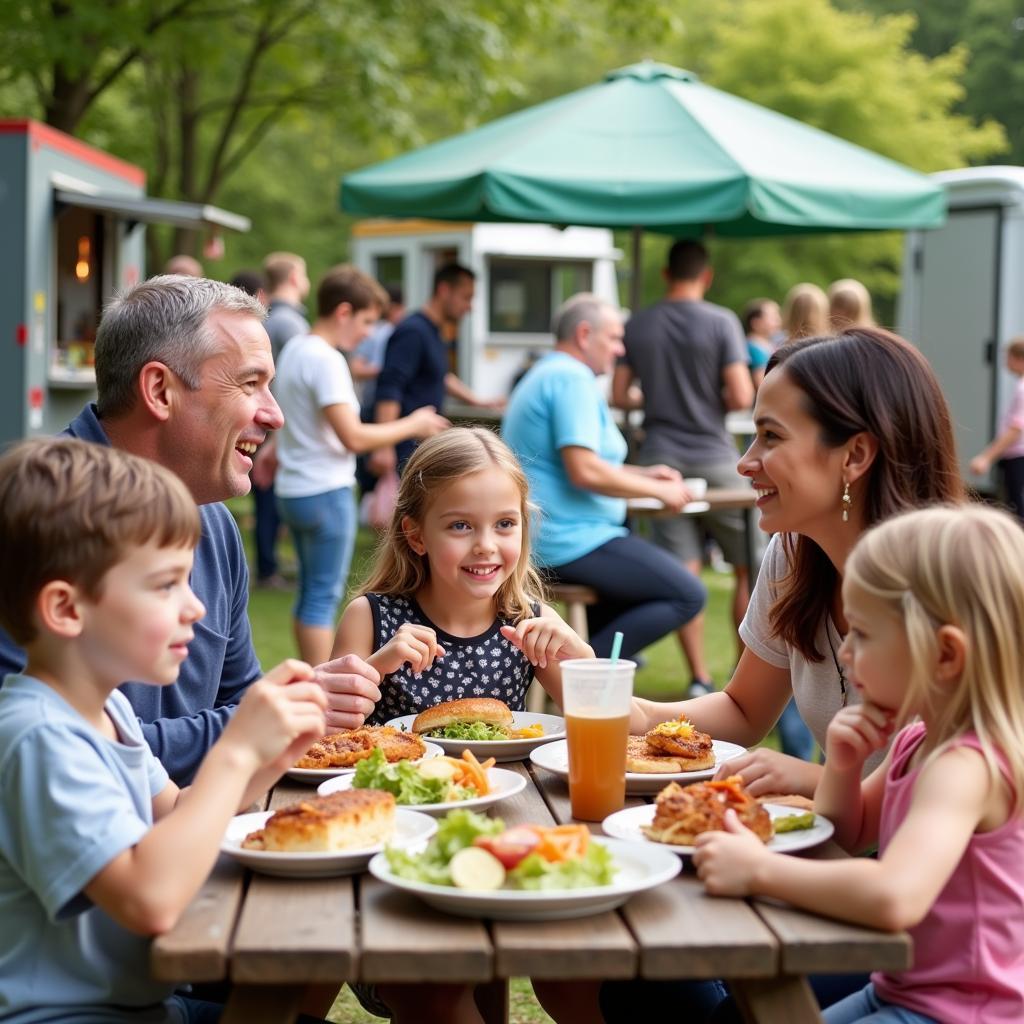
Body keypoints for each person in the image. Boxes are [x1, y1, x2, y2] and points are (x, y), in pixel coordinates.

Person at [594, 328, 964, 1024]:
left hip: (939, 918)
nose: (744, 462)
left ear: (855, 454)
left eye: (769, 437)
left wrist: (812, 777)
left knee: (707, 990)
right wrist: (629, 710)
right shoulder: (796, 554)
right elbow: (740, 708)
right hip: (835, 855)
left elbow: (911, 824)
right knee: (639, 975)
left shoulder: (956, 600)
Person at [0, 275, 383, 784]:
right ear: (160, 390)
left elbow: (234, 697)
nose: (275, 415)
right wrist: (264, 720)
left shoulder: (213, 519)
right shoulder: (33, 520)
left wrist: (295, 702)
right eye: (250, 384)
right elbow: (62, 747)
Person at [0, 437, 330, 1024]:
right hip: (69, 1017)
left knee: (289, 990)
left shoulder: (109, 713)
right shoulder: (37, 737)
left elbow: (177, 813)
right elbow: (148, 899)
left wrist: (272, 756)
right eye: (164, 585)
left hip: (148, 1005)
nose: (195, 608)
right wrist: (234, 752)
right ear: (67, 609)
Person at [694, 505, 1024, 1024]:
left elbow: (895, 897)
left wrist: (759, 870)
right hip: (903, 990)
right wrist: (843, 767)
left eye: (864, 635)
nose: (844, 653)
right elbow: (847, 833)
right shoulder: (918, 737)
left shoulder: (965, 766)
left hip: (964, 1010)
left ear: (945, 655)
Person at [334, 427, 593, 1023]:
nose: (486, 546)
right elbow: (328, 738)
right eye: (460, 526)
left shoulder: (527, 622)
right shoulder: (372, 618)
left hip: (507, 849)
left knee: (581, 979)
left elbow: (603, 722)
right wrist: (380, 663)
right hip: (395, 861)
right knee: (443, 999)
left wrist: (576, 650)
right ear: (414, 534)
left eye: (505, 524)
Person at [503, 293, 706, 667]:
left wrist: (643, 474)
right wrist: (660, 489)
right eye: (613, 338)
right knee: (688, 594)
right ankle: (579, 668)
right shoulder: (570, 379)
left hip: (559, 536)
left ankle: (578, 662)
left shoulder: (550, 372)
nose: (620, 349)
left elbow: (578, 462)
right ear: (584, 334)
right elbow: (584, 471)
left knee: (642, 590)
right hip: (568, 539)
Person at [275, 265, 449, 667]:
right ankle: (325, 698)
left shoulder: (296, 349)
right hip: (324, 490)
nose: (369, 332)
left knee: (309, 594)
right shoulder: (327, 359)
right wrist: (414, 423)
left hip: (294, 489)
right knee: (322, 597)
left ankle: (312, 682)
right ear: (343, 312)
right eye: (367, 321)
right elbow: (351, 436)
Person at [611, 241, 754, 691]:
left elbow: (619, 394)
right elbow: (741, 396)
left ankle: (699, 677)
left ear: (666, 274)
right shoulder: (721, 321)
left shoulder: (640, 323)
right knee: (749, 564)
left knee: (684, 569)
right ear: (706, 276)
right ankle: (745, 674)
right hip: (715, 457)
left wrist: (652, 395)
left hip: (660, 461)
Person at [372, 262, 501, 474]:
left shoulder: (433, 331)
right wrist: (383, 447)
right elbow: (390, 387)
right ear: (443, 290)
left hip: (422, 448)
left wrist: (477, 401)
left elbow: (441, 376)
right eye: (466, 297)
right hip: (403, 451)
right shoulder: (413, 331)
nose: (470, 306)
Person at [251, 251, 312, 589]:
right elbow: (295, 384)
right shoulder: (292, 324)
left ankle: (266, 564)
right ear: (291, 278)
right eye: (303, 275)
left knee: (264, 499)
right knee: (270, 498)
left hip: (261, 422)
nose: (307, 283)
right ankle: (268, 569)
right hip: (280, 427)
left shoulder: (264, 320)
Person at [969, 336, 1024, 522]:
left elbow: (1016, 429)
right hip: (1015, 457)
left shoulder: (1023, 388)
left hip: (1018, 457)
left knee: (1017, 508)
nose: (1006, 362)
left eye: (1008, 357)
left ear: (1019, 359)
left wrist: (986, 457)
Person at [741, 297, 782, 390]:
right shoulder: (754, 348)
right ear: (755, 323)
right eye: (773, 317)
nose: (778, 320)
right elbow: (761, 384)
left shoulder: (766, 344)